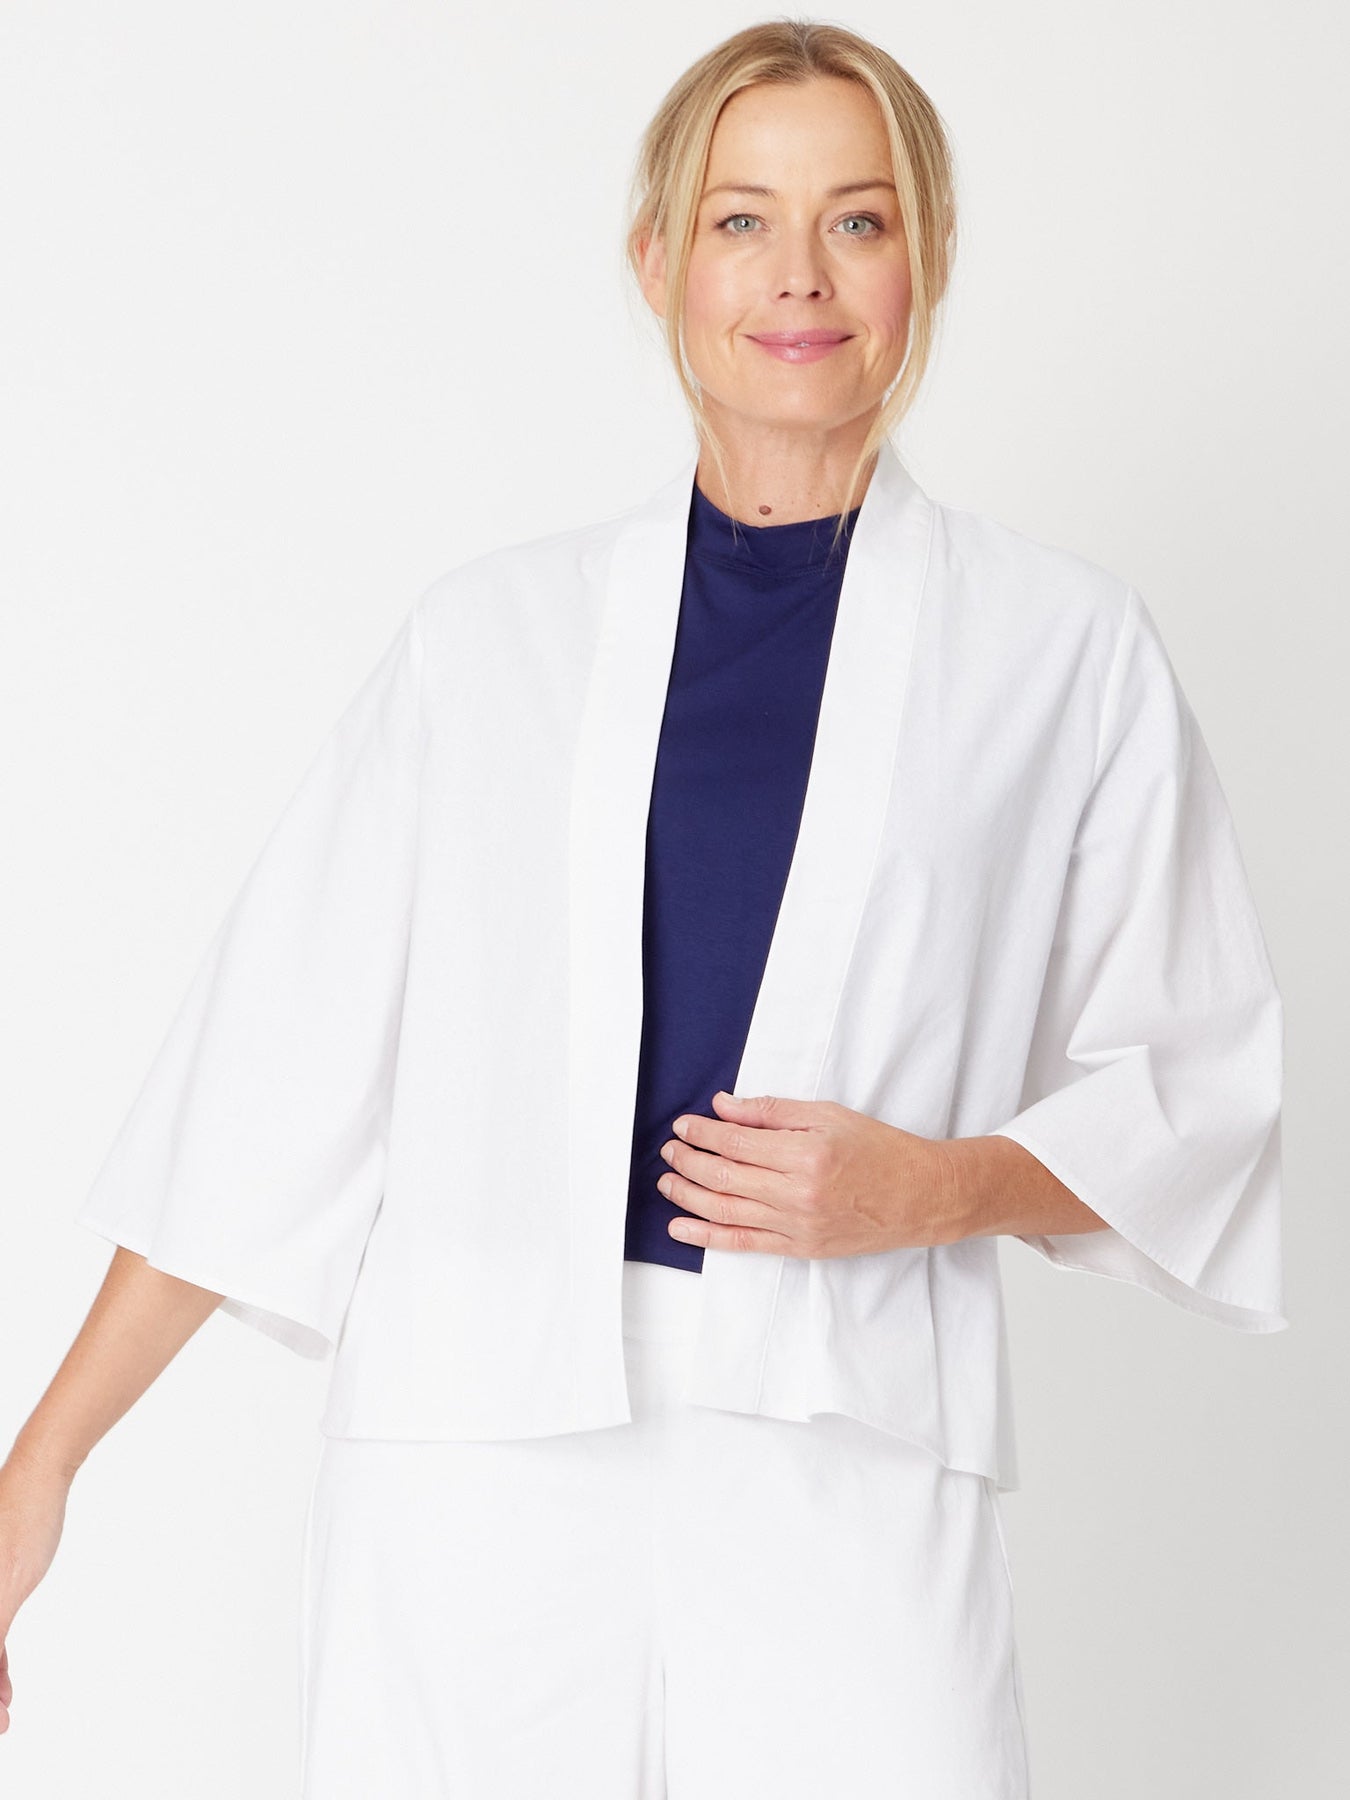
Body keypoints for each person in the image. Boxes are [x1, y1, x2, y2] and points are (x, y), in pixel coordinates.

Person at [0, 20, 1285, 1798]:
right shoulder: (487, 642)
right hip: (476, 1438)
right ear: (658, 258)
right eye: (741, 219)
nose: (797, 274)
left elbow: (1195, 1082)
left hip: (849, 1427)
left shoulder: (1059, 648)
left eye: (856, 219)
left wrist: (938, 1188)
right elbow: (267, 1080)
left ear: (925, 258)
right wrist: (43, 1466)